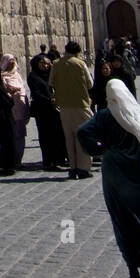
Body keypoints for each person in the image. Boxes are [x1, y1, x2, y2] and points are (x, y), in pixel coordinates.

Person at [76, 80, 140, 278]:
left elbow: (83, 132)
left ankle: (133, 271)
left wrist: (100, 149)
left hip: (114, 174)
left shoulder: (103, 116)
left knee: (122, 221)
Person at [49, 41, 94, 180]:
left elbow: (51, 82)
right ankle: (84, 168)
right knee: (83, 136)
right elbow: (90, 84)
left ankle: (73, 167)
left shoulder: (56, 64)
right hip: (81, 104)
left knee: (69, 138)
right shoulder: (80, 64)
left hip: (64, 106)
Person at [27, 56, 67, 171]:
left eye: (47, 63)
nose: (45, 66)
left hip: (53, 110)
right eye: (42, 63)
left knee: (56, 134)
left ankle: (58, 159)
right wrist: (49, 100)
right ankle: (48, 161)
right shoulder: (33, 76)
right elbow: (36, 93)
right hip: (42, 110)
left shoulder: (50, 75)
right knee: (46, 136)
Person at [0, 54, 30, 166]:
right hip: (10, 110)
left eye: (13, 61)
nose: (11, 63)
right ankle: (11, 160)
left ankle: (18, 159)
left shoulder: (17, 75)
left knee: (20, 135)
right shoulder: (2, 76)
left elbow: (22, 90)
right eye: (9, 61)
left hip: (20, 109)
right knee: (11, 135)